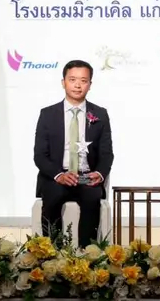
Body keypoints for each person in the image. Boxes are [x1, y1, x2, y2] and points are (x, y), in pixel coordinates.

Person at [33, 60, 114, 248]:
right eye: (72, 80)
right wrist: (59, 175)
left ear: (90, 84)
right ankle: (52, 253)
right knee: (52, 197)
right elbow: (39, 155)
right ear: (63, 82)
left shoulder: (100, 114)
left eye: (83, 81)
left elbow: (107, 153)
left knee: (92, 198)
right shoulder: (47, 114)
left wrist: (99, 173)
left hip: (85, 176)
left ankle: (88, 253)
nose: (78, 85)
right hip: (57, 176)